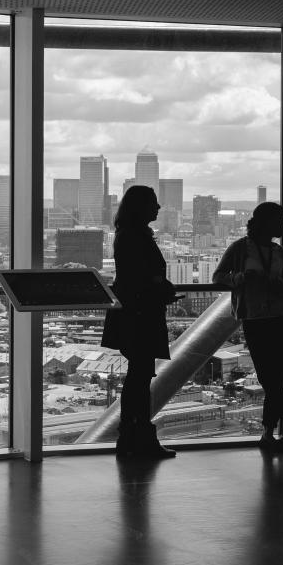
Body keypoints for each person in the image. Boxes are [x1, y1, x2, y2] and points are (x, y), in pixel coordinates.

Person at [212, 201, 283, 449]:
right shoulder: (240, 249)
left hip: (280, 318)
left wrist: (272, 283)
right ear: (266, 223)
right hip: (258, 319)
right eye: (279, 220)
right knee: (269, 378)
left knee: (273, 378)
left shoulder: (282, 254)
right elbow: (218, 276)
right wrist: (242, 278)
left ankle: (268, 433)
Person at [101, 185, 178, 459]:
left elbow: (133, 276)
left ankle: (131, 436)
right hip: (140, 315)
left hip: (133, 314)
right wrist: (160, 286)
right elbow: (141, 276)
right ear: (141, 207)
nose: (158, 208)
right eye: (154, 203)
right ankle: (139, 436)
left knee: (138, 377)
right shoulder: (136, 236)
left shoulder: (127, 235)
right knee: (140, 378)